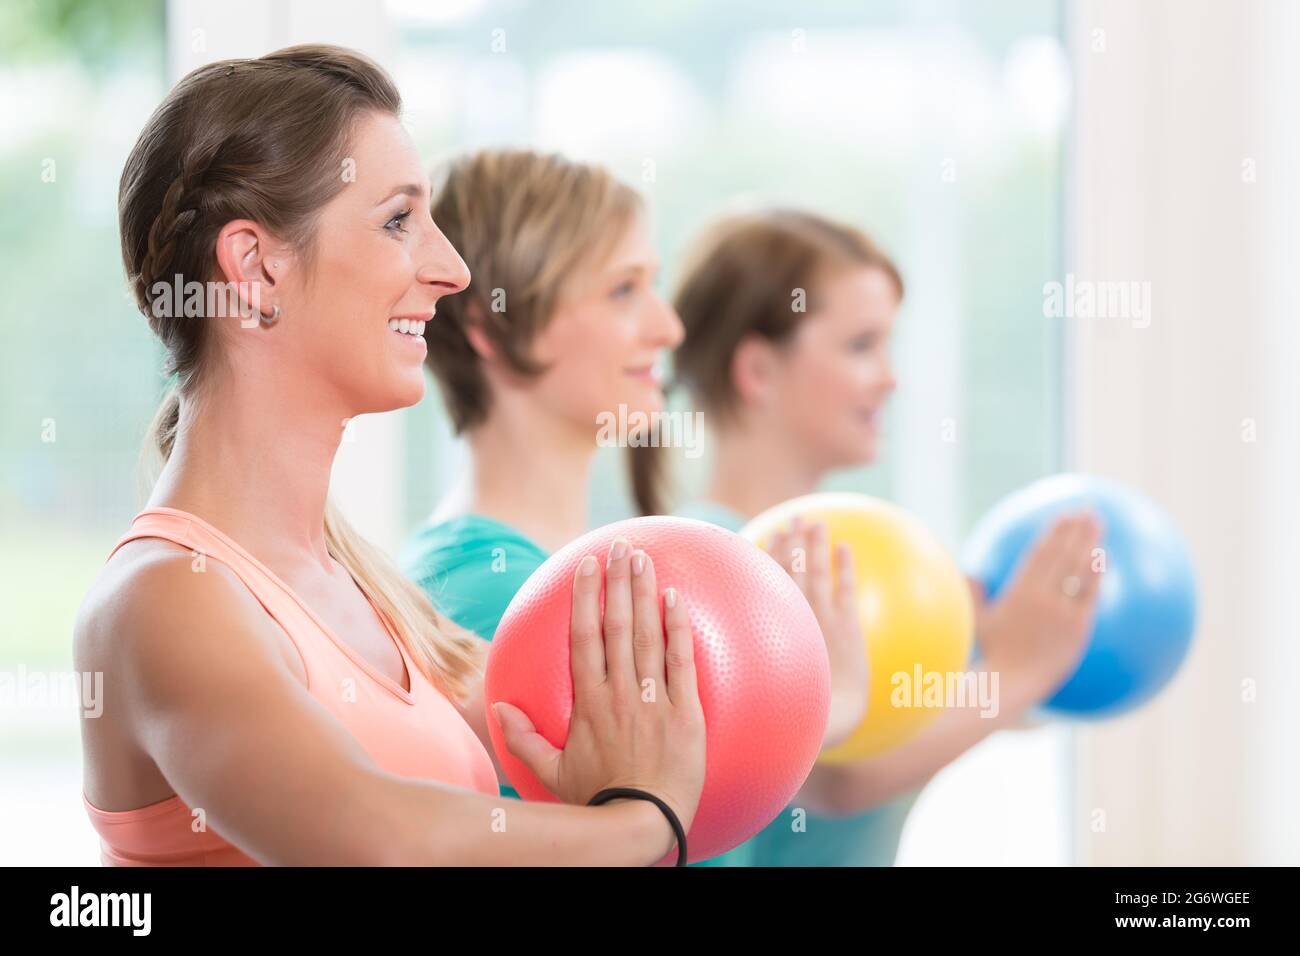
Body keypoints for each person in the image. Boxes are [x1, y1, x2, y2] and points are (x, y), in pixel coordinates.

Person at [73, 45, 705, 867]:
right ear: (256, 267)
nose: (451, 269)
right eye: (398, 220)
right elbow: (376, 840)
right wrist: (639, 821)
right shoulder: (164, 600)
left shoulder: (369, 590)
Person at [401, 152, 869, 865]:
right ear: (489, 327)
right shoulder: (484, 590)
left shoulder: (587, 568)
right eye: (623, 291)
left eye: (653, 285)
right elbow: (663, 810)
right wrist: (824, 706)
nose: (668, 328)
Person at [635, 209, 1103, 866]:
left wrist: (997, 656)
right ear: (758, 371)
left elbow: (919, 723)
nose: (890, 377)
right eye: (861, 346)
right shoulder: (716, 562)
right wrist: (1014, 670)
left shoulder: (859, 564)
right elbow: (834, 775)